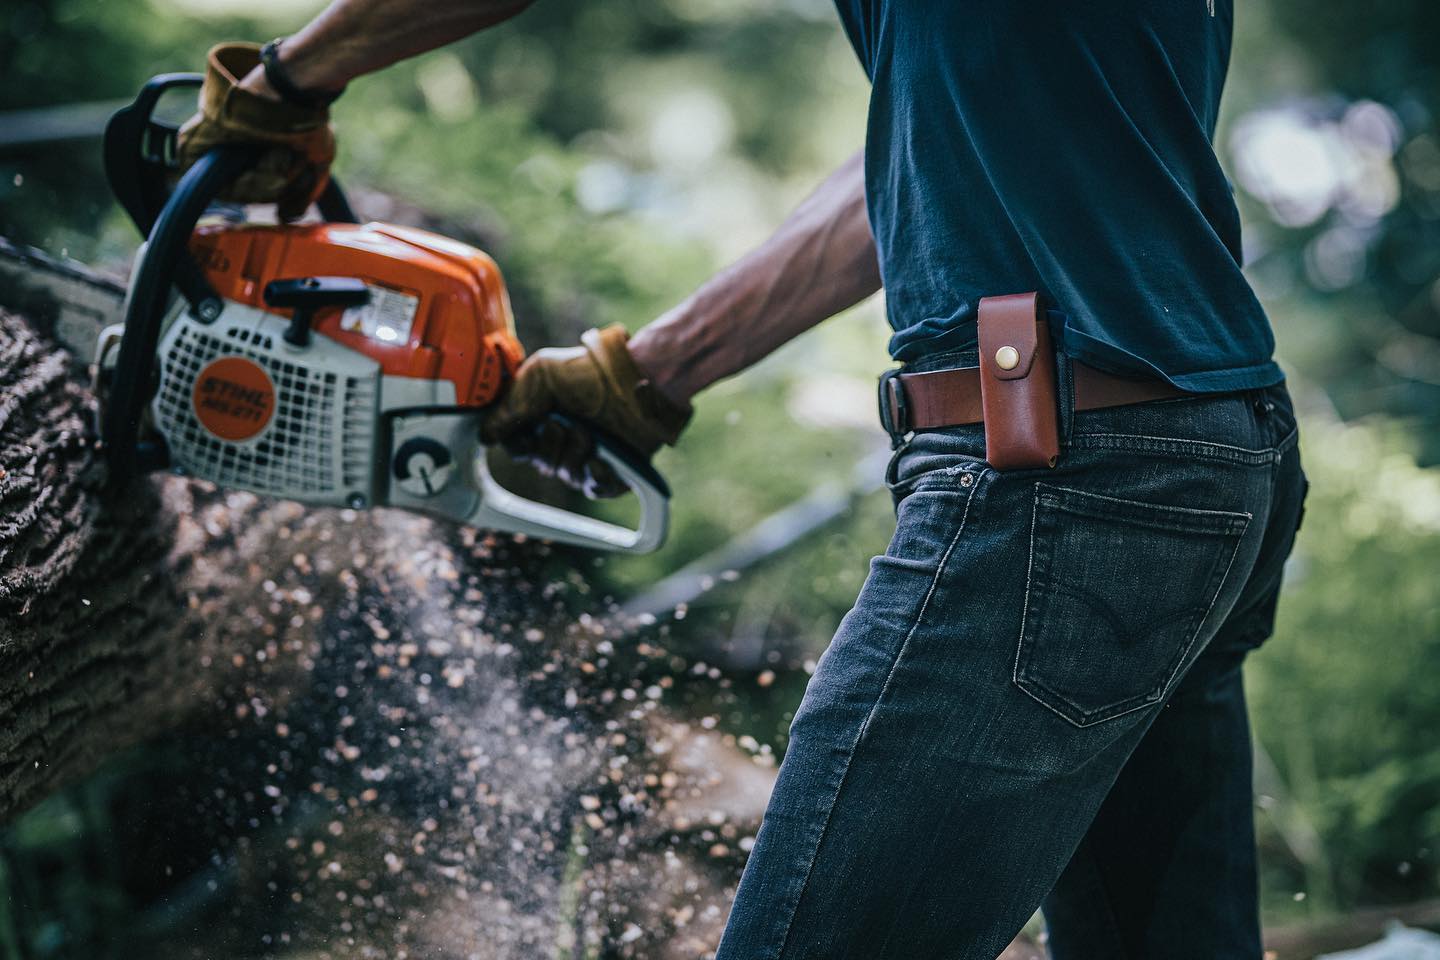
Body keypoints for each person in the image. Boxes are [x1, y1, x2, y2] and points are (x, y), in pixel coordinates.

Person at [177, 1, 1311, 956]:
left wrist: (291, 76)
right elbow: (916, 170)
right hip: (1202, 466)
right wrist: (652, 371)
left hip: (1067, 483)